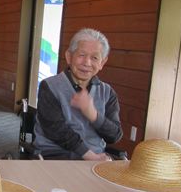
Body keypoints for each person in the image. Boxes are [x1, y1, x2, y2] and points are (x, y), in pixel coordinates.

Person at [33, 28, 122, 161]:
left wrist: (94, 116)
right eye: (82, 55)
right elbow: (56, 130)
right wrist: (90, 156)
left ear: (102, 62)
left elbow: (114, 135)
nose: (87, 63)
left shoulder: (107, 93)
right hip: (56, 156)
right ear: (69, 56)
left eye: (95, 58)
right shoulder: (50, 86)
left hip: (97, 158)